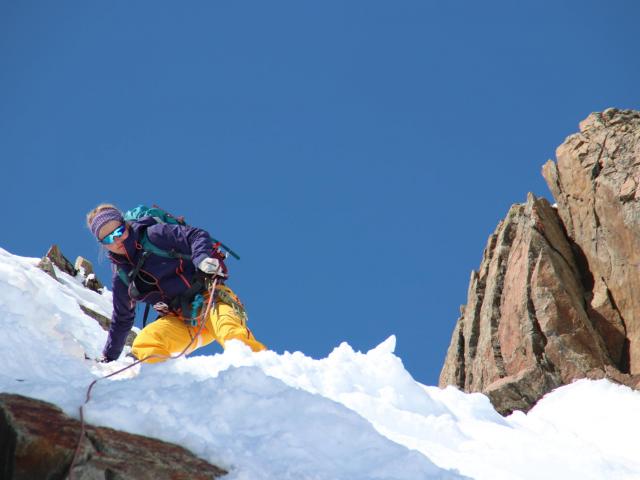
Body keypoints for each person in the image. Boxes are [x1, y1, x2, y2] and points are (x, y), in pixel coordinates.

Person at [86, 203, 266, 363]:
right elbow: (122, 318)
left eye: (118, 231)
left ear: (126, 225)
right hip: (180, 320)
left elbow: (195, 235)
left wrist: (202, 259)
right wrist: (109, 357)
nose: (117, 240)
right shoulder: (122, 275)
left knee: (232, 335)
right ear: (103, 244)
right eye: (108, 239)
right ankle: (165, 387)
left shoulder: (154, 235)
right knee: (144, 344)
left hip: (211, 299)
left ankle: (264, 374)